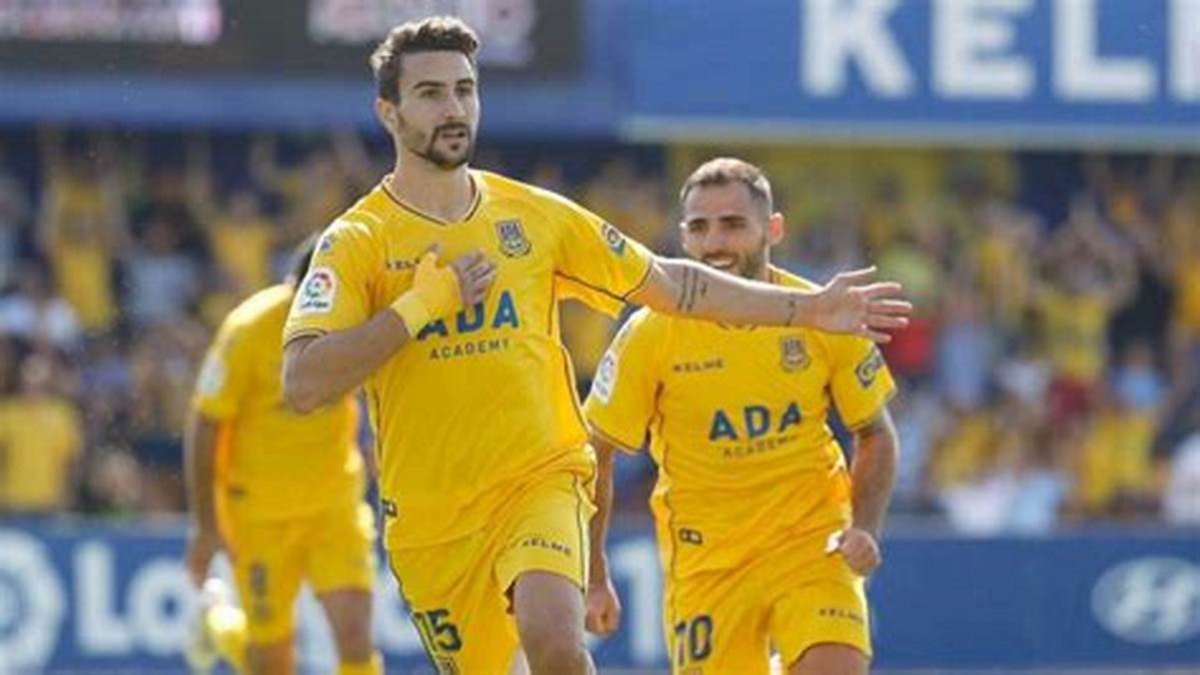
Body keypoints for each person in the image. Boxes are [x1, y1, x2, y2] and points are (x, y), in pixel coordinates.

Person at [280, 17, 910, 675]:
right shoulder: (357, 242)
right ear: (389, 112)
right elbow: (303, 381)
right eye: (431, 93)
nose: (455, 108)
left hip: (538, 477)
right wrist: (418, 308)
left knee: (556, 645)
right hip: (432, 524)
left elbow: (670, 281)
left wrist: (808, 307)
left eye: (466, 90)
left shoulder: (534, 217)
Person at [583, 158, 901, 675]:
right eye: (700, 228)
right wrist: (594, 575)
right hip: (708, 563)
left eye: (733, 225)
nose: (715, 243)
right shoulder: (651, 334)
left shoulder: (822, 313)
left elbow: (876, 433)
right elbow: (594, 454)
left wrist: (864, 527)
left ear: (772, 229)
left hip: (811, 543)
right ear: (684, 238)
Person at [185, 236, 381, 675]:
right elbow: (204, 424)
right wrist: (205, 525)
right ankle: (216, 619)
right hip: (261, 516)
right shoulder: (248, 329)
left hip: (334, 504)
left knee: (355, 635)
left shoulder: (352, 321)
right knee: (272, 663)